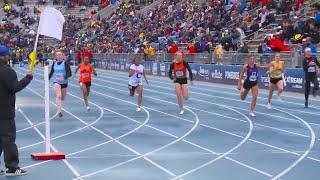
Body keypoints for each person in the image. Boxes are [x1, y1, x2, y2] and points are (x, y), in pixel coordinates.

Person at [0, 45, 33, 176]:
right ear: (4, 56)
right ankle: (12, 167)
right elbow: (14, 87)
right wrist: (28, 78)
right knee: (8, 139)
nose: (9, 57)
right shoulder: (7, 71)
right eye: (8, 55)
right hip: (4, 112)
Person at [49, 51, 72, 117]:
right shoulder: (54, 63)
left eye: (60, 55)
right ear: (55, 57)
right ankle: (59, 111)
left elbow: (69, 73)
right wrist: (47, 78)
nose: (59, 56)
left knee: (62, 97)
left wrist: (64, 77)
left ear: (62, 56)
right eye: (57, 55)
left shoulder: (65, 64)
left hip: (64, 82)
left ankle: (59, 105)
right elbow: (51, 72)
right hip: (56, 81)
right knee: (58, 95)